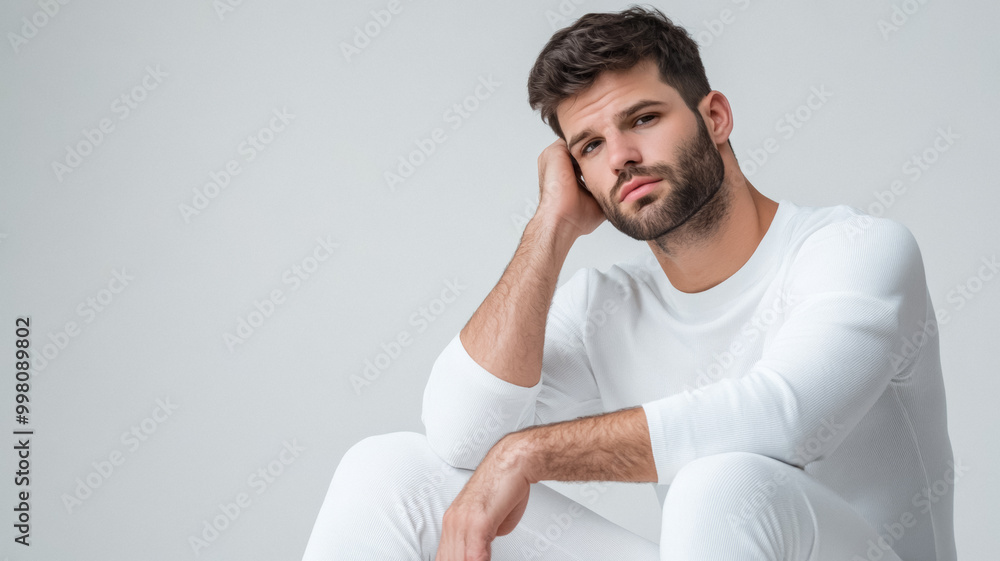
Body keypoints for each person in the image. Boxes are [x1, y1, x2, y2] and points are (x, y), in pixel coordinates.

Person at [301, 6, 956, 560]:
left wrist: (529, 453)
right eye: (588, 145)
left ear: (717, 117)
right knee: (387, 469)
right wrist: (550, 227)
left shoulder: (855, 251)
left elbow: (785, 419)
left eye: (643, 118)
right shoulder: (605, 307)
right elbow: (459, 435)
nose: (621, 157)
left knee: (718, 480)